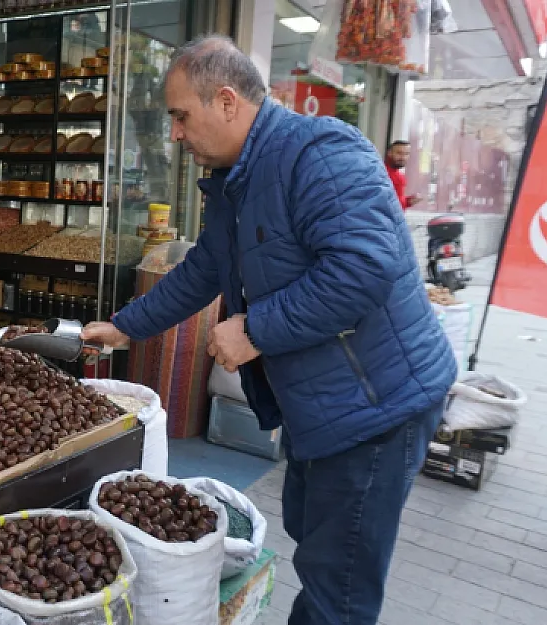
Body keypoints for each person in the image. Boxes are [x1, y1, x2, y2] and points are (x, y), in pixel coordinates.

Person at [81, 35, 457, 625]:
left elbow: (365, 267)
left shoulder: (319, 153)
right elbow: (204, 268)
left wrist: (254, 330)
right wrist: (124, 328)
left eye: (181, 116)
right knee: (315, 538)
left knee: (341, 586)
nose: (176, 134)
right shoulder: (236, 180)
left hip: (377, 406)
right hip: (324, 407)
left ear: (227, 101)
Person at [386, 140, 421, 209]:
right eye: (399, 153)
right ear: (389, 153)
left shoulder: (399, 176)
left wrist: (408, 202)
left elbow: (397, 202)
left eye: (406, 154)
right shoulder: (381, 173)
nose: (403, 157)